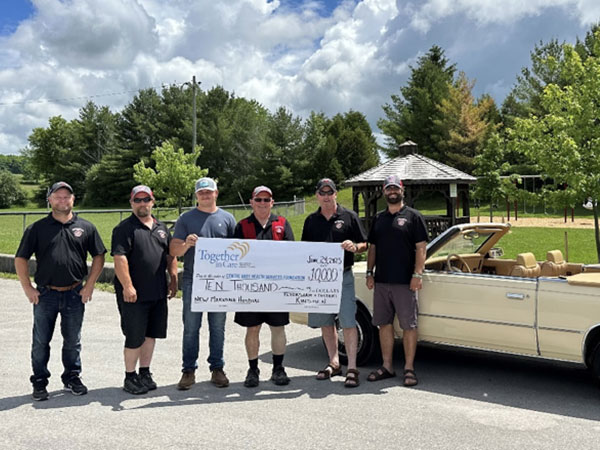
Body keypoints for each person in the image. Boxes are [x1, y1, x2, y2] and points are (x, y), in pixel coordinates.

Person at [15, 181, 106, 401]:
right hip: (45, 294)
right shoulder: (36, 228)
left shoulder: (86, 227)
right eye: (58, 196)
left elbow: (99, 256)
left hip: (75, 293)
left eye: (67, 197)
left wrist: (90, 285)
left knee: (72, 340)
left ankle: (72, 377)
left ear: (73, 200)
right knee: (40, 341)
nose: (63, 200)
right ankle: (39, 380)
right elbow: (21, 258)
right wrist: (27, 287)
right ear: (50, 199)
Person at [170, 177, 236, 390]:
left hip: (220, 281)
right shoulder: (185, 219)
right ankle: (188, 370)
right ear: (196, 195)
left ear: (216, 193)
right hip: (193, 279)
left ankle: (217, 367)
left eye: (209, 192)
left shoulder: (227, 219)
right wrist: (187, 245)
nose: (205, 195)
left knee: (217, 327)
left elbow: (238, 250)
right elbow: (173, 250)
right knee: (191, 327)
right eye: (201, 192)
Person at [111, 185, 178, 395]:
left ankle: (145, 372)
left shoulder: (161, 227)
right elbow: (119, 258)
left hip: (157, 291)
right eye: (137, 200)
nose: (142, 204)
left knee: (151, 334)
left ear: (152, 201)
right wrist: (127, 286)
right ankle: (130, 376)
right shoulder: (124, 229)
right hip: (134, 294)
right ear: (131, 203)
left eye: (145, 200)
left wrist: (173, 278)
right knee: (135, 336)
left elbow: (170, 255)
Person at [301, 178, 368, 388]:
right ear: (317, 196)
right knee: (326, 322)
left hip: (343, 277)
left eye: (330, 193)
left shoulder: (349, 217)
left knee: (348, 321)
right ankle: (334, 362)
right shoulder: (311, 221)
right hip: (318, 280)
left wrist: (355, 247)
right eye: (323, 193)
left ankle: (353, 368)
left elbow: (365, 243)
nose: (327, 196)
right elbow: (304, 250)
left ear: (336, 194)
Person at [365, 175, 428, 387]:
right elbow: (372, 247)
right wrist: (369, 272)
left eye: (395, 188)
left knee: (409, 325)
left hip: (405, 282)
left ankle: (409, 368)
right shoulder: (379, 219)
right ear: (384, 192)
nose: (392, 191)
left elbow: (421, 248)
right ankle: (387, 366)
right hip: (382, 281)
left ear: (402, 190)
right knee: (384, 324)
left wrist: (417, 274)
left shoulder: (413, 217)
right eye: (388, 188)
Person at [233, 186, 295, 388]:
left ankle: (278, 368)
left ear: (272, 202)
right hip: (250, 289)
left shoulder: (282, 224)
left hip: (276, 288)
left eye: (266, 200)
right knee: (252, 328)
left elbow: (293, 253)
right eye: (258, 200)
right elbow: (232, 257)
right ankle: (253, 369)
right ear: (251, 202)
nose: (262, 203)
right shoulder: (242, 226)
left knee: (278, 328)